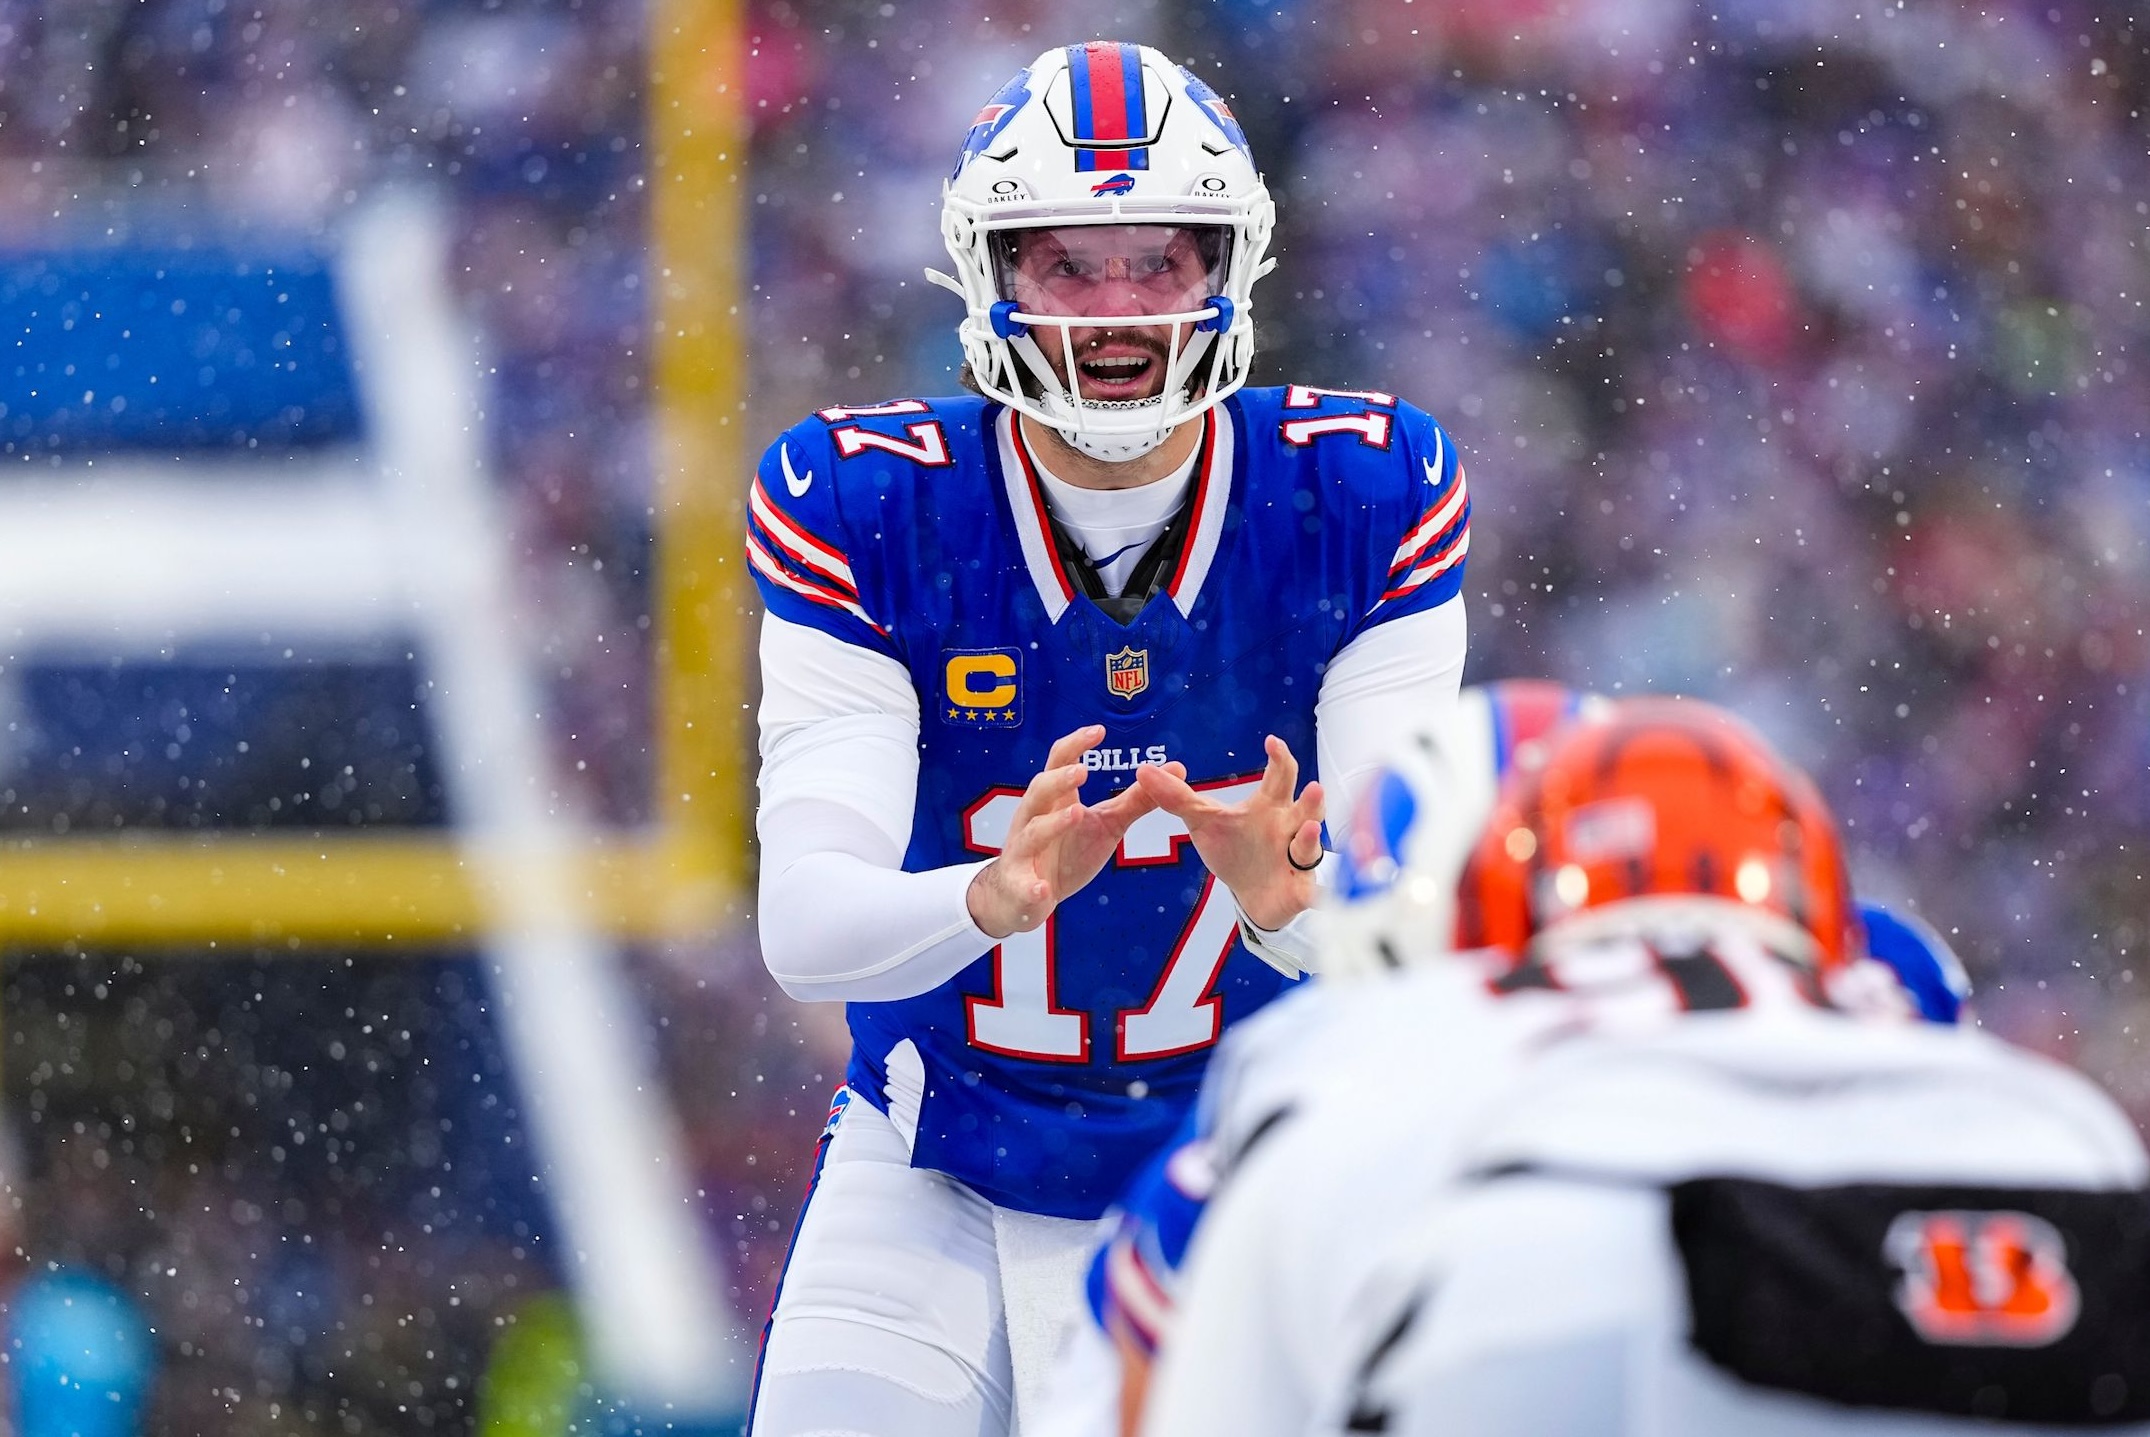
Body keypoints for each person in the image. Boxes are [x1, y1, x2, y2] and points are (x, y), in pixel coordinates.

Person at [744, 41, 1472, 1437]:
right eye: (1066, 263)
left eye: (1157, 261)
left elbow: (1418, 931)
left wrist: (1291, 914)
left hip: (1243, 1179)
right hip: (934, 1156)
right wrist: (986, 897)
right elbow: (805, 922)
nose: (1116, 310)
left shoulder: (1359, 490)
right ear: (989, 274)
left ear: (1227, 267)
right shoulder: (865, 506)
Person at [1139, 699, 2150, 1437]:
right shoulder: (2023, 1093)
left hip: (1536, 1267)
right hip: (2044, 1233)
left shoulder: (1354, 1055)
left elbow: (1158, 1387)